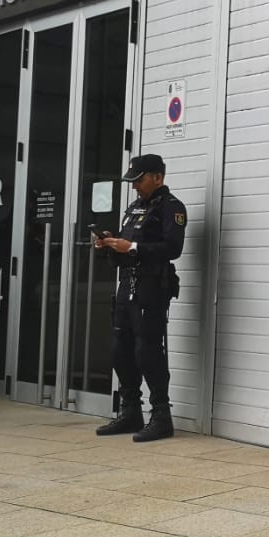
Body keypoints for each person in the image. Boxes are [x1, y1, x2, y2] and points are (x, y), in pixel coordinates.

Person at [93, 154, 186, 442]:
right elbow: (124, 246)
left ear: (158, 177)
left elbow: (172, 248)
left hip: (151, 288)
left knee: (147, 352)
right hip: (126, 287)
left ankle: (161, 415)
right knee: (120, 350)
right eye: (132, 181)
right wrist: (108, 243)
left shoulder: (171, 208)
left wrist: (132, 247)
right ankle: (130, 411)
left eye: (139, 180)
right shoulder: (134, 208)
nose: (135, 186)